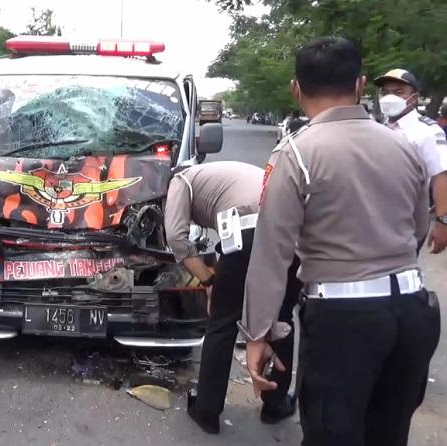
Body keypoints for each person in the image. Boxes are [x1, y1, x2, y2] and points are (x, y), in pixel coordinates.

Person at [241, 37, 439, 445]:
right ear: (361, 84)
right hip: (413, 313)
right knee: (388, 434)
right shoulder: (403, 145)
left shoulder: (296, 154)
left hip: (343, 323)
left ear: (296, 89)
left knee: (333, 435)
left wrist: (257, 334)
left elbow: (271, 255)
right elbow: (418, 227)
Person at [164, 161, 300, 434]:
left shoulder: (180, 180)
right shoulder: (222, 174)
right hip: (289, 237)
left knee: (222, 324)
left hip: (246, 235)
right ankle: (275, 406)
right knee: (281, 317)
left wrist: (210, 281)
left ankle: (207, 410)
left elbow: (176, 237)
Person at [375, 69, 447, 253]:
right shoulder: (380, 128)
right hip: (376, 219)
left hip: (408, 222)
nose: (390, 97)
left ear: (414, 98)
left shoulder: (426, 132)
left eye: (398, 92)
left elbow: (441, 176)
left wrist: (443, 222)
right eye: (385, 92)